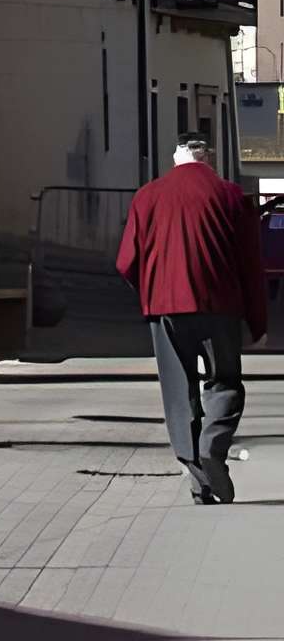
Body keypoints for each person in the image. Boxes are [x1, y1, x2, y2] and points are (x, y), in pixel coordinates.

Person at [116, 136, 268, 503]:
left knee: (178, 392)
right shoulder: (231, 196)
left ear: (175, 158)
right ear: (209, 160)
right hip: (220, 306)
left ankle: (198, 477)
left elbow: (126, 261)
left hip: (165, 307)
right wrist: (258, 321)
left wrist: (151, 289)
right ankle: (212, 448)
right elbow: (251, 264)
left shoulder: (148, 196)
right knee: (225, 382)